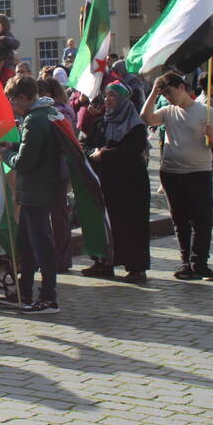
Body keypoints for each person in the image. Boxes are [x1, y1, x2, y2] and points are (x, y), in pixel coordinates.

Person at [141, 71, 213, 281]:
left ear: (181, 88)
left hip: (198, 172)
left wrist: (211, 135)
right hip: (172, 173)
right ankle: (185, 262)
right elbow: (146, 118)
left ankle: (200, 263)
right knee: (180, 221)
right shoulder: (168, 111)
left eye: (169, 92)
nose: (168, 97)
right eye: (164, 94)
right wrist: (153, 93)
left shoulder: (205, 112)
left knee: (201, 220)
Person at [1, 75, 61, 314]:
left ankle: (48, 297)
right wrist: (12, 147)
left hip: (37, 190)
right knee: (26, 244)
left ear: (25, 97)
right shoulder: (41, 114)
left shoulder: (35, 120)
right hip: (34, 191)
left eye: (13, 99)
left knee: (40, 245)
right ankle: (23, 289)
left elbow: (25, 162)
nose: (11, 103)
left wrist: (5, 155)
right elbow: (32, 147)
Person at [86, 81, 151, 282]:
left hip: (131, 184)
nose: (107, 100)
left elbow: (130, 151)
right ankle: (104, 263)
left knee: (132, 225)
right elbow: (90, 146)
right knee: (107, 223)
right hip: (106, 183)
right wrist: (91, 153)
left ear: (123, 100)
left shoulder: (136, 125)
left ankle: (136, 267)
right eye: (105, 95)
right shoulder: (101, 123)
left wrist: (104, 154)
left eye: (112, 96)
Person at [36, 78, 76, 272]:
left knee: (58, 217)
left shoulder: (60, 114)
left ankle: (62, 258)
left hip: (57, 170)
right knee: (53, 217)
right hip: (51, 171)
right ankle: (56, 256)